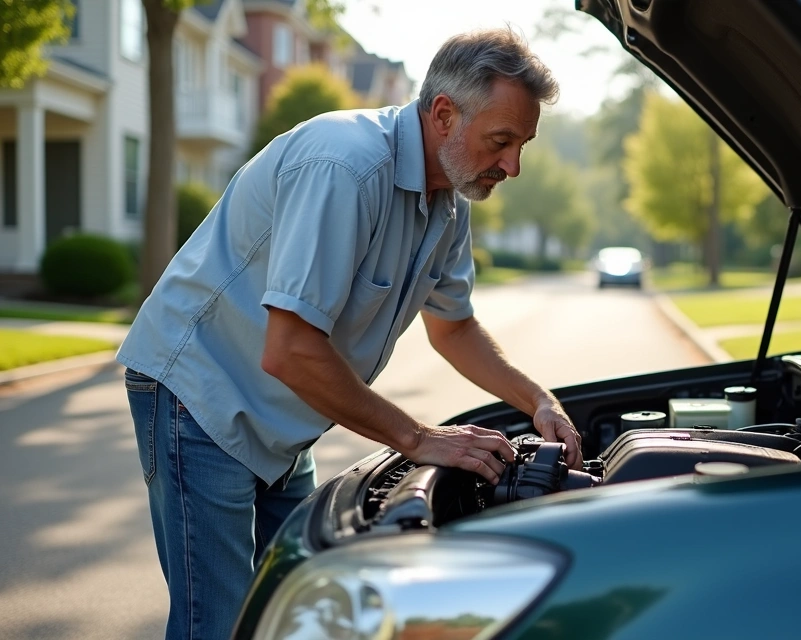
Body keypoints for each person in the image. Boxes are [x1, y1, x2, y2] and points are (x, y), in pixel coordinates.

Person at [116, 29, 582, 639]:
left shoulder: (448, 205)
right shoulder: (345, 166)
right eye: (501, 141)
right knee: (221, 622)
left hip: (283, 417)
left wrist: (538, 401)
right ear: (444, 114)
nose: (513, 166)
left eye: (522, 144)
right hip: (201, 395)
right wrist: (417, 438)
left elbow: (456, 327)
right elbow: (290, 349)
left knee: (299, 607)